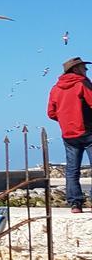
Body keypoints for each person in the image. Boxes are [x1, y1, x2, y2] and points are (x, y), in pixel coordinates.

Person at [47, 56, 92, 213]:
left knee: (72, 170)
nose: (86, 71)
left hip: (69, 134)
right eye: (84, 68)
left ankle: (75, 204)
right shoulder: (82, 83)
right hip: (88, 131)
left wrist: (67, 119)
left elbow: (51, 113)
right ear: (75, 69)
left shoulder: (55, 88)